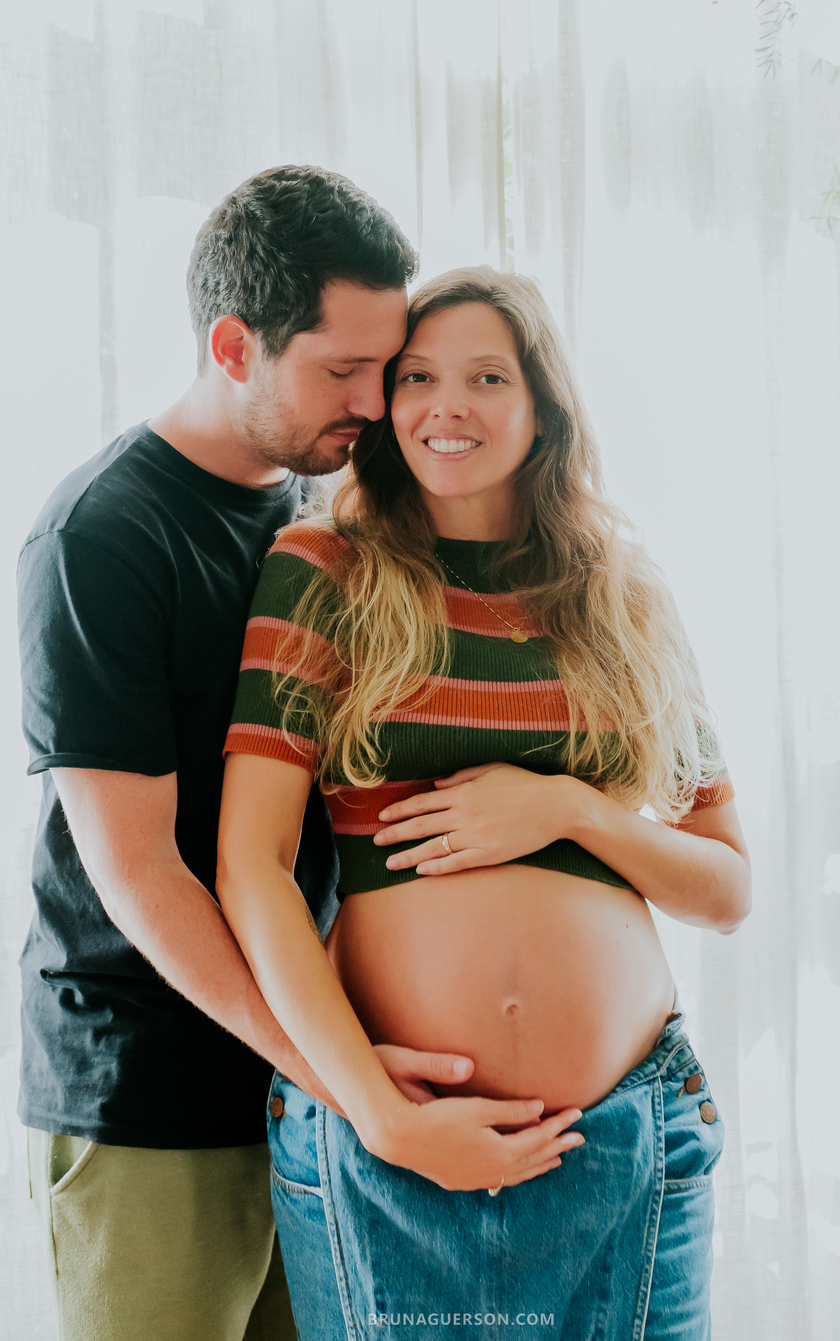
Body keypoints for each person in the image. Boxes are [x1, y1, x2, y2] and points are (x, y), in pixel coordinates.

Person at [217, 265, 752, 1339]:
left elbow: (727, 883)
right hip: (393, 1144)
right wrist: (373, 1110)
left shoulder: (625, 595)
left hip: (627, 1134)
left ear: (543, 403)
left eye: (486, 376)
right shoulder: (325, 568)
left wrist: (572, 812)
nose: (445, 405)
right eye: (416, 376)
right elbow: (251, 867)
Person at [17, 166, 487, 1341]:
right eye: (342, 371)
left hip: (305, 1077)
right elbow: (139, 875)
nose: (377, 404)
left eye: (389, 367)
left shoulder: (320, 519)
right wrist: (353, 1087)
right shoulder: (102, 537)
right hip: (152, 1094)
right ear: (234, 345)